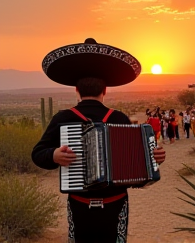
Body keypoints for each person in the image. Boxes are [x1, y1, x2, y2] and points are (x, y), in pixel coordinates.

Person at [31, 38, 166, 243]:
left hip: (79, 204)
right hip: (116, 204)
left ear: (76, 90)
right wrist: (154, 159)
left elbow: (37, 154)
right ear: (105, 91)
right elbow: (141, 171)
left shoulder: (63, 118)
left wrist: (53, 155)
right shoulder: (119, 118)